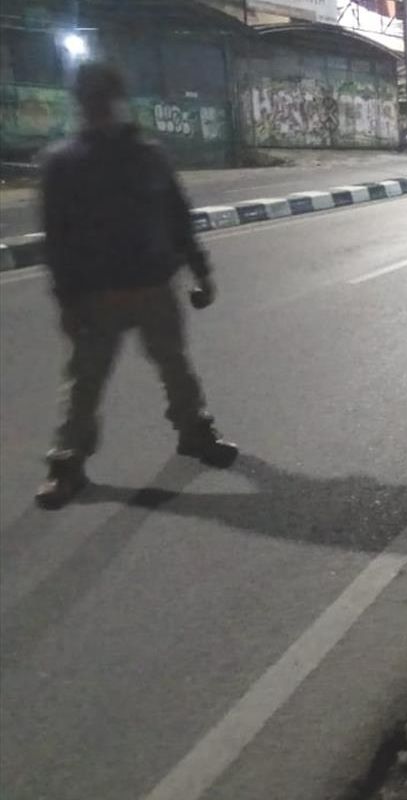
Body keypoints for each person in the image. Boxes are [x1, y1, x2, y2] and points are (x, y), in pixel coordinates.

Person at [35, 62, 237, 510]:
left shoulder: (148, 155)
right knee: (85, 382)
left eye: (102, 101)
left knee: (175, 369)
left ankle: (195, 435)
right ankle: (66, 465)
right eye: (94, 102)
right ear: (84, 105)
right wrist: (67, 301)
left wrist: (200, 271)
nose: (100, 109)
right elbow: (58, 241)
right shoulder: (64, 164)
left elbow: (177, 217)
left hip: (153, 290)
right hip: (96, 297)